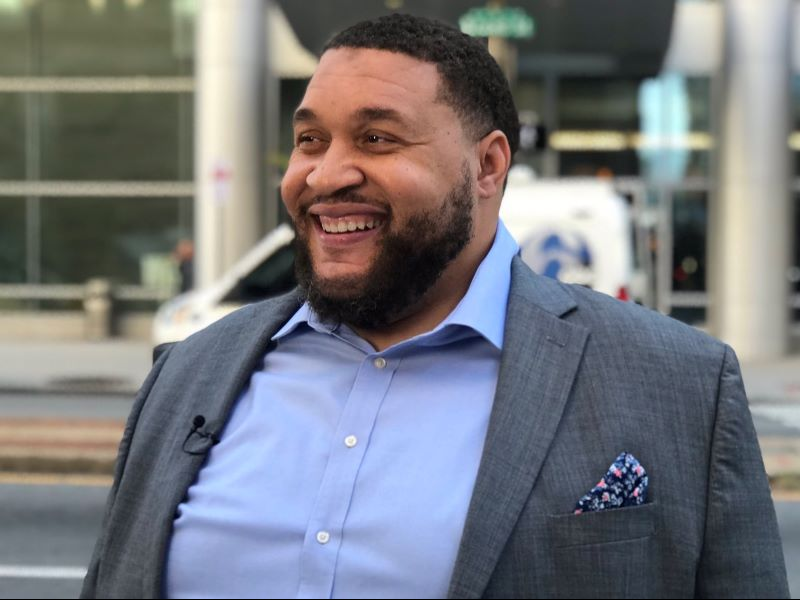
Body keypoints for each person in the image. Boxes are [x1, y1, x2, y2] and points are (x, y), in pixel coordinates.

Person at [81, 14, 788, 599]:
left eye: (378, 138)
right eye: (309, 140)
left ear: (488, 166)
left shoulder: (680, 385)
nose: (326, 173)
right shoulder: (187, 375)